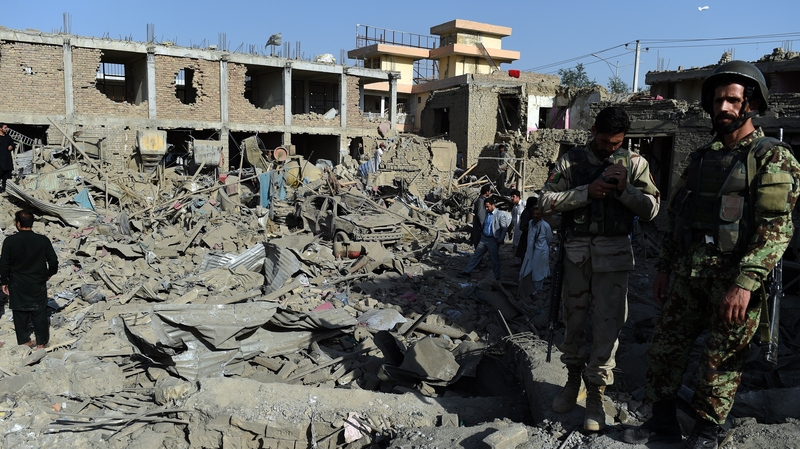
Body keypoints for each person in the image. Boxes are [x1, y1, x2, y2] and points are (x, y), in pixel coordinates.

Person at [623, 61, 800, 448]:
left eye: (732, 100)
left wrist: (745, 283)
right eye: (718, 99)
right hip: (688, 275)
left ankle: (707, 431)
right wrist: (665, 268)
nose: (723, 107)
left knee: (719, 363)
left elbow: (776, 229)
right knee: (665, 351)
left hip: (733, 281)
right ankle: (663, 424)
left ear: (750, 104)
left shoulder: (772, 157)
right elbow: (680, 218)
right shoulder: (702, 158)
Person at [540, 106, 660, 432]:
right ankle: (571, 382)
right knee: (573, 322)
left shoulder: (634, 164)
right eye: (606, 141)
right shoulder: (571, 162)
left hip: (614, 257)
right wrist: (585, 193)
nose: (610, 148)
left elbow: (651, 210)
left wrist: (625, 190)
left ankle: (595, 396)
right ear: (594, 131)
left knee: (608, 328)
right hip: (576, 256)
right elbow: (543, 202)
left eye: (616, 142)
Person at [0, 210, 59, 349]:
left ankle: (24, 341)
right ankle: (41, 343)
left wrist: (4, 281)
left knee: (19, 312)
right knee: (39, 312)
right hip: (37, 282)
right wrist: (48, 274)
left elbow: (4, 264)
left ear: (18, 224)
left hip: (17, 283)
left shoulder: (9, 241)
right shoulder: (43, 240)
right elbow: (53, 261)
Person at [460, 196, 511, 280]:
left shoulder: (500, 215)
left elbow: (504, 228)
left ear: (493, 205)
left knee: (494, 259)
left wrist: (500, 240)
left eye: (488, 206)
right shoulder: (487, 213)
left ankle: (496, 276)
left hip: (493, 240)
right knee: (476, 256)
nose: (486, 208)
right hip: (484, 238)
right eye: (485, 207)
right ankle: (467, 271)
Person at [517, 204, 552, 299]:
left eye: (538, 214)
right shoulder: (530, 223)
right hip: (530, 252)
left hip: (540, 253)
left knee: (538, 273)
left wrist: (541, 248)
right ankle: (525, 290)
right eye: (534, 213)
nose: (536, 215)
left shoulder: (546, 226)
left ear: (542, 215)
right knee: (525, 271)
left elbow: (549, 239)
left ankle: (536, 292)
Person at [515, 196, 538, 261]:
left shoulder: (531, 212)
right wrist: (532, 231)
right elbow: (522, 227)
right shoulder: (526, 213)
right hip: (526, 239)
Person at [509, 189, 526, 257]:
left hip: (523, 230)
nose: (512, 198)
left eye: (513, 196)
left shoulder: (524, 204)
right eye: (511, 197)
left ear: (518, 197)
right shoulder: (514, 207)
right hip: (517, 230)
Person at [0, 124, 14, 193]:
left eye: (7, 128)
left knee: (6, 178)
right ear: (0, 129)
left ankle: (4, 190)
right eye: (5, 128)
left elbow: (12, 144)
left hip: (7, 161)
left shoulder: (8, 137)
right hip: (0, 161)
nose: (7, 129)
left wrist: (11, 146)